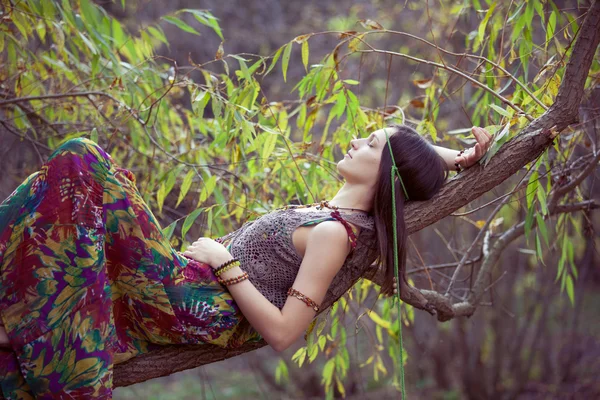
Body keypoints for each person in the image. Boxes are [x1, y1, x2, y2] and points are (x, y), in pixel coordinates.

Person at [0, 124, 491, 398]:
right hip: (184, 281)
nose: (356, 140)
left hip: (199, 298)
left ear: (384, 170)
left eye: (371, 143)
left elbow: (283, 332)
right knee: (66, 191)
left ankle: (27, 321)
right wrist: (458, 157)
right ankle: (20, 322)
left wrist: (223, 261)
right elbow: (410, 165)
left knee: (82, 159)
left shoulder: (335, 236)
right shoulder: (330, 214)